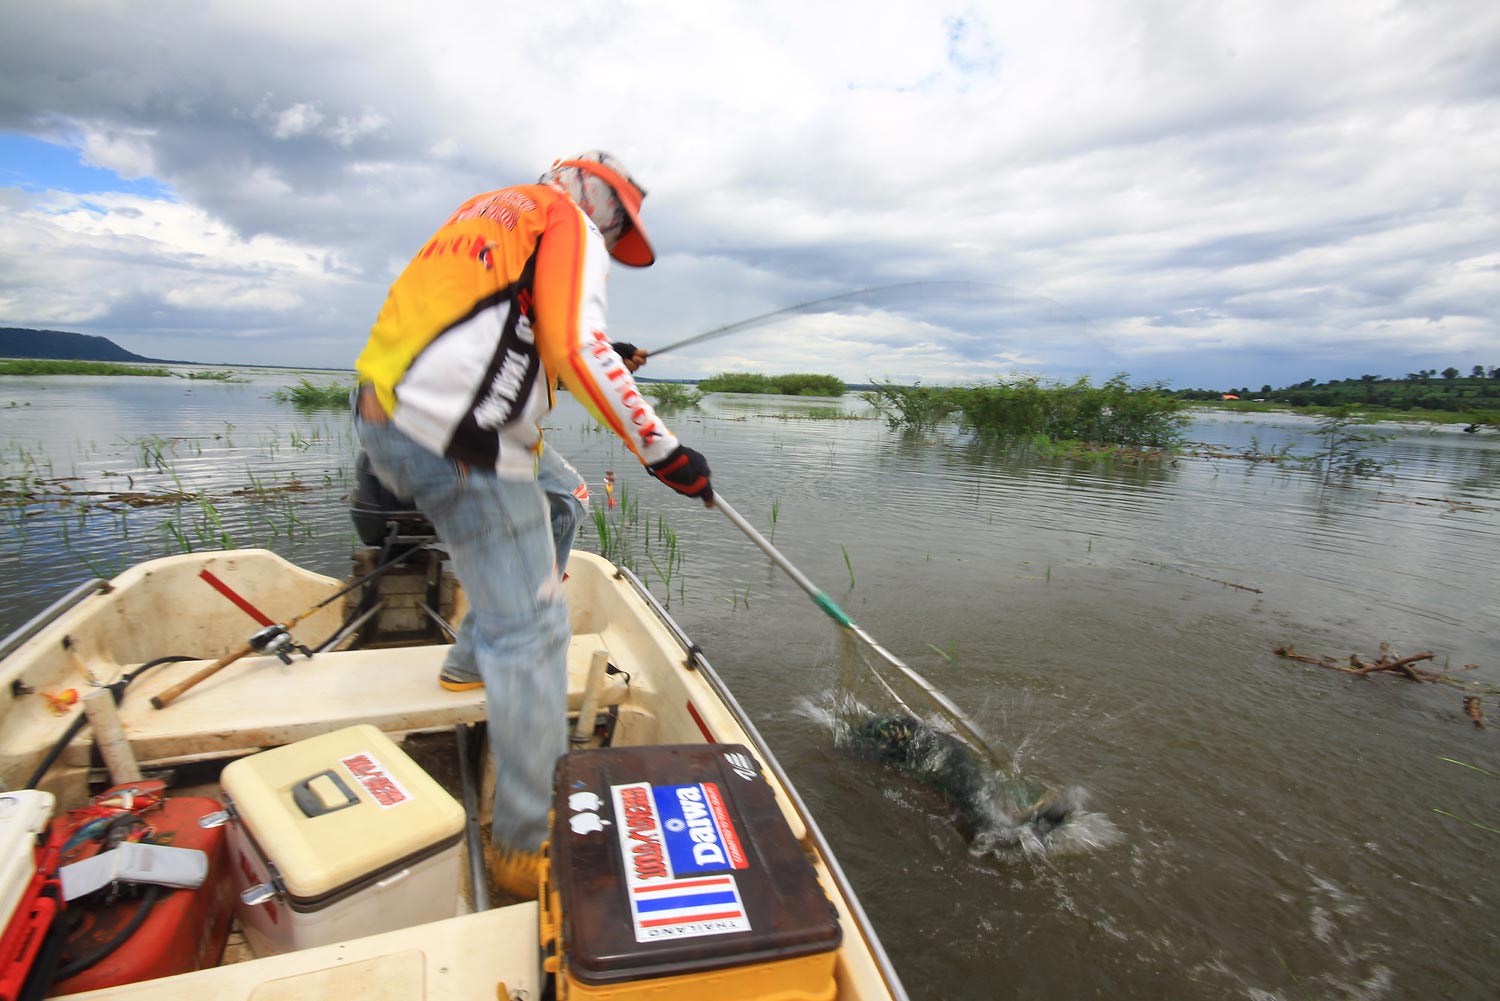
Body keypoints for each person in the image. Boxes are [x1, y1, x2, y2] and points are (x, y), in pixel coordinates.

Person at [352, 151, 712, 900]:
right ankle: (525, 842)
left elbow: (496, 339)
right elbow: (570, 346)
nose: (609, 235)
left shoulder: (488, 211)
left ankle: (468, 659)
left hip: (395, 416)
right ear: (586, 188)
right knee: (537, 632)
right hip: (460, 441)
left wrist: (609, 355)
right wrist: (665, 453)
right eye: (613, 215)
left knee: (562, 498)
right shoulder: (563, 215)